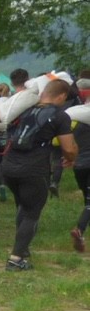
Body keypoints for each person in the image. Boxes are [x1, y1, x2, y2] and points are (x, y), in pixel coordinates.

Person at [0, 78, 76, 270]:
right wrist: (71, 157)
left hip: (9, 166)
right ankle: (16, 259)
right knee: (31, 212)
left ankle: (23, 247)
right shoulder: (59, 115)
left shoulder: (23, 109)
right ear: (61, 96)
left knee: (23, 205)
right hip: (34, 169)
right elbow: (68, 148)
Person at [72, 81, 90, 253]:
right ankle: (79, 230)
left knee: (87, 200)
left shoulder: (75, 120)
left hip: (79, 165)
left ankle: (82, 233)